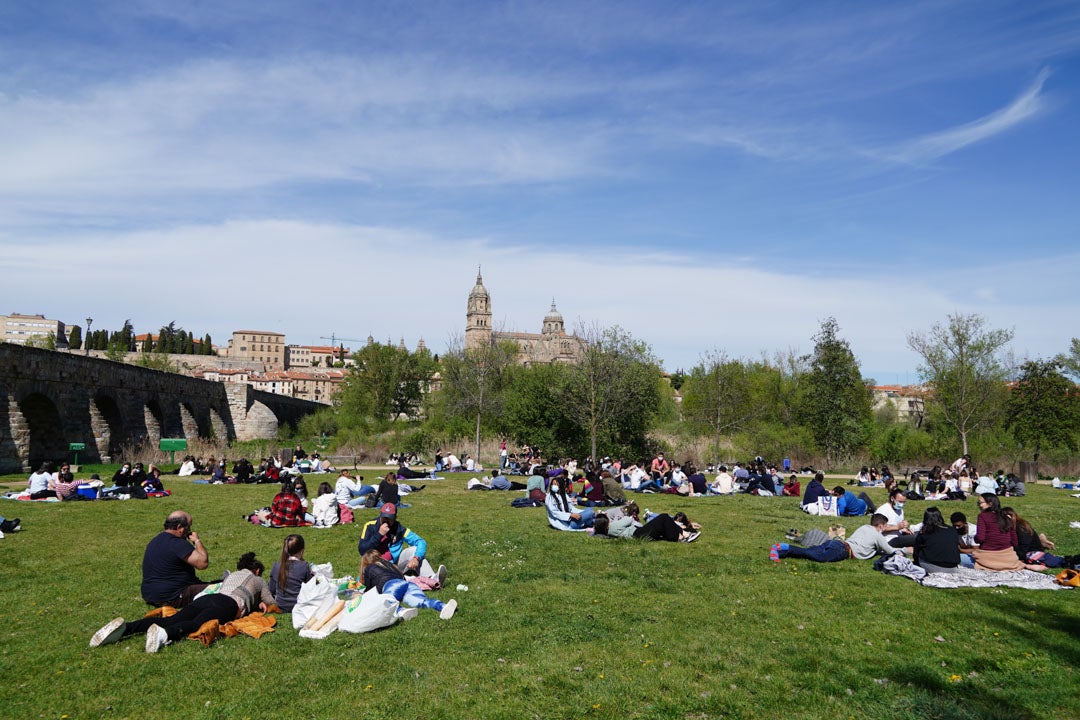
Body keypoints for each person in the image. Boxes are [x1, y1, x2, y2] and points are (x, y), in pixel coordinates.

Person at [93, 551, 274, 652]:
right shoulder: (258, 580)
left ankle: (126, 629)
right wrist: (262, 603)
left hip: (208, 597)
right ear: (257, 570)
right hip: (229, 604)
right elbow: (273, 604)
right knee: (196, 624)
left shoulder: (231, 576)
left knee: (173, 617)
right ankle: (166, 635)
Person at [357, 503, 446, 584]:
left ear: (395, 517)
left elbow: (420, 542)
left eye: (389, 518)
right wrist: (379, 534)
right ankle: (409, 579)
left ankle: (433, 579)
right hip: (374, 566)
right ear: (380, 515)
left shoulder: (399, 529)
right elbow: (362, 550)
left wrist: (416, 558)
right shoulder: (370, 526)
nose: (386, 521)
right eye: (384, 517)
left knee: (414, 550)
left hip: (393, 564)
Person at [360, 550, 456, 620]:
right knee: (420, 600)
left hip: (391, 585)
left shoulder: (369, 568)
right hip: (407, 583)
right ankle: (442, 606)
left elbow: (369, 590)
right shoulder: (390, 565)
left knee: (389, 602)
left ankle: (401, 611)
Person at [141, 511, 210, 607]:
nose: (190, 530)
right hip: (173, 595)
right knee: (223, 588)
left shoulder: (155, 540)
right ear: (179, 528)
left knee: (214, 585)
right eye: (188, 527)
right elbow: (203, 563)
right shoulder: (177, 543)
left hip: (150, 594)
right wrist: (197, 541)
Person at [769, 514, 898, 563]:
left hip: (836, 542)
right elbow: (890, 550)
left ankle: (782, 550)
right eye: (886, 526)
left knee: (813, 550)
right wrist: (905, 550)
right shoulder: (877, 535)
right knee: (817, 556)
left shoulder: (864, 527)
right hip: (843, 550)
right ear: (880, 526)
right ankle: (782, 547)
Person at [972, 493, 1027, 571]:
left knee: (962, 558)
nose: (978, 505)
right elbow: (1014, 541)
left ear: (990, 503)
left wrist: (975, 538)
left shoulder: (983, 516)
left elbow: (980, 538)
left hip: (987, 557)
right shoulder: (1006, 517)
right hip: (1009, 559)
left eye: (980, 503)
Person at [594, 504, 699, 542]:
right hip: (637, 533)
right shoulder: (613, 526)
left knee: (663, 525)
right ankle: (683, 536)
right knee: (663, 517)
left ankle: (683, 534)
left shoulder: (608, 532)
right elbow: (628, 520)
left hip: (637, 534)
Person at [269, 534, 315, 612]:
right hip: (299, 605)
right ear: (302, 551)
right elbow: (311, 587)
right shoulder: (303, 566)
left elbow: (271, 589)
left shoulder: (277, 565)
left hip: (281, 605)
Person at [913, 507, 961, 574]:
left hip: (933, 567)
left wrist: (916, 562)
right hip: (953, 568)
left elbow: (916, 551)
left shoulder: (925, 532)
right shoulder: (952, 530)